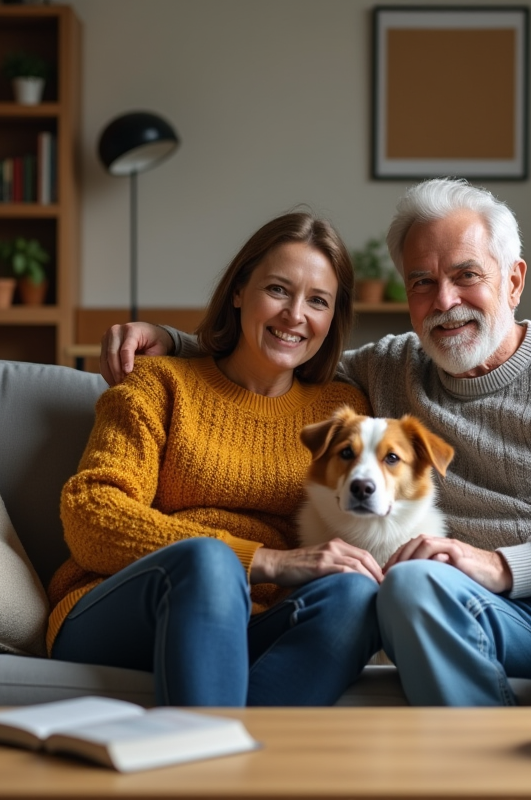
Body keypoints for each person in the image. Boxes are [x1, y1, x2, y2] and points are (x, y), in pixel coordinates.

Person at [98, 179, 531, 706]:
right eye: (422, 282)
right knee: (407, 587)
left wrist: (505, 565)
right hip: (515, 614)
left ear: (514, 280)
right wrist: (173, 342)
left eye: (467, 274)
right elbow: (285, 352)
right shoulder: (386, 372)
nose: (445, 301)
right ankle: (482, 772)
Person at [49, 211, 384, 708]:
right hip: (121, 608)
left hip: (257, 620)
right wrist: (261, 559)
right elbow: (90, 512)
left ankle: (240, 767)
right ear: (238, 291)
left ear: (332, 318)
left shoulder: (344, 412)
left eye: (318, 301)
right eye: (277, 289)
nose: (296, 315)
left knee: (357, 596)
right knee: (211, 561)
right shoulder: (160, 384)